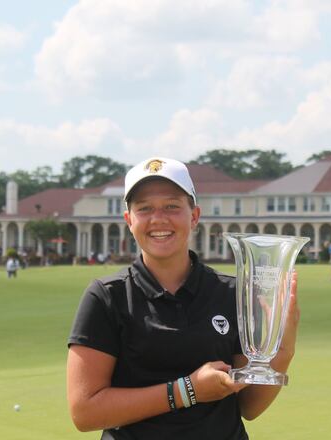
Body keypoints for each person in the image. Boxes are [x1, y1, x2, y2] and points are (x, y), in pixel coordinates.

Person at [67, 157, 300, 439]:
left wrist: (283, 350)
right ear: (129, 221)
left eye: (172, 206)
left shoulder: (232, 293)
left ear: (194, 216)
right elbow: (85, 412)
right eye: (145, 209)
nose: (158, 218)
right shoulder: (107, 296)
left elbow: (249, 406)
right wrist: (187, 390)